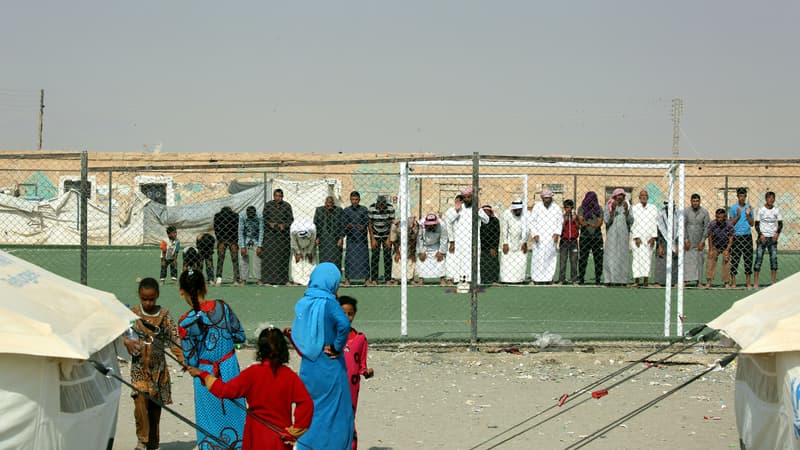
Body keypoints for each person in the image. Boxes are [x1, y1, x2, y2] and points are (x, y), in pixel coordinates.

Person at [187, 328, 313, 450]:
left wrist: (202, 374)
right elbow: (306, 403)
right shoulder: (290, 376)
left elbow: (224, 390)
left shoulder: (252, 374)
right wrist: (294, 431)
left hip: (256, 437)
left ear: (261, 350)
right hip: (281, 438)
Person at [177, 269, 246, 448]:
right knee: (236, 417)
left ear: (181, 292)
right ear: (205, 287)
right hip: (230, 370)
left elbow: (191, 361)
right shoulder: (222, 307)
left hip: (205, 375)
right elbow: (240, 335)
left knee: (209, 424)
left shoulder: (185, 322)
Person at [290, 262, 354, 450]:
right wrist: (337, 346)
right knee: (336, 412)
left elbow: (297, 332)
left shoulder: (303, 303)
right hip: (329, 364)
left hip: (309, 366)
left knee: (310, 409)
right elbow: (344, 324)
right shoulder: (330, 303)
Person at [124, 277, 184, 450]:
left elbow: (174, 338)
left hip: (158, 370)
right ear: (139, 296)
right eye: (144, 299)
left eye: (151, 299)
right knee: (140, 400)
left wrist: (181, 358)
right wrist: (125, 341)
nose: (148, 303)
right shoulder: (133, 314)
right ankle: (141, 440)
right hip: (139, 369)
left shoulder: (164, 316)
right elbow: (122, 331)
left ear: (157, 296)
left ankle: (152, 442)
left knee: (155, 409)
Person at [338, 296, 375, 450]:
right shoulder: (329, 337)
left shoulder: (360, 339)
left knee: (348, 419)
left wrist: (367, 372)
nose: (347, 317)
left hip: (351, 388)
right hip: (333, 385)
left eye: (350, 314)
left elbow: (361, 366)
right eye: (343, 313)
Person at [445, 188, 489, 283]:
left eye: (469, 197)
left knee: (473, 261)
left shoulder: (477, 209)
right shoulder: (458, 209)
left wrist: (479, 209)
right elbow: (449, 221)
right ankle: (461, 282)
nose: (467, 199)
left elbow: (486, 220)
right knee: (460, 262)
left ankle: (473, 282)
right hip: (460, 242)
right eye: (465, 197)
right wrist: (456, 210)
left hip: (473, 241)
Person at [528, 190, 563, 284]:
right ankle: (535, 279)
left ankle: (548, 278)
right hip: (539, 236)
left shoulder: (556, 207)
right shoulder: (537, 207)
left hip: (551, 237)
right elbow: (532, 221)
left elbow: (560, 221)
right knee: (537, 257)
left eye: (548, 198)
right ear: (542, 198)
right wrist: (534, 233)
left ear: (551, 197)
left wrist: (557, 233)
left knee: (550, 257)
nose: (547, 199)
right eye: (545, 198)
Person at [262, 188, 294, 286]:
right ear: (273, 196)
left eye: (280, 196)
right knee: (269, 257)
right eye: (276, 196)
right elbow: (264, 218)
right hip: (270, 236)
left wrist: (284, 225)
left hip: (282, 237)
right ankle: (267, 280)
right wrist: (269, 223)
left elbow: (291, 219)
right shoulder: (268, 205)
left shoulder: (287, 206)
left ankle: (283, 280)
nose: (278, 198)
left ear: (282, 196)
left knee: (282, 257)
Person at [603, 188, 633, 285]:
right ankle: (609, 280)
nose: (620, 198)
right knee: (610, 256)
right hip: (611, 234)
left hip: (623, 234)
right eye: (618, 196)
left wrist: (626, 210)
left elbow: (631, 221)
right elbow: (606, 221)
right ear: (615, 197)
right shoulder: (609, 205)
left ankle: (622, 280)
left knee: (622, 256)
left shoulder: (627, 205)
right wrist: (612, 211)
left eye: (622, 196)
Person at [754, 191, 783, 288]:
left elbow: (780, 224)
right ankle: (756, 282)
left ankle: (773, 282)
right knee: (758, 258)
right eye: (769, 198)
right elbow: (756, 224)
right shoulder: (761, 210)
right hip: (762, 237)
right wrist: (760, 234)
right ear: (766, 199)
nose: (771, 199)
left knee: (773, 259)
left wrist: (777, 234)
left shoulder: (776, 210)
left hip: (772, 238)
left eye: (773, 198)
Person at [629, 190, 658, 287]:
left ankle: (646, 280)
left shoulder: (653, 208)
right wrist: (636, 237)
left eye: (645, 195)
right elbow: (632, 223)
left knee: (648, 258)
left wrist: (653, 237)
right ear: (639, 197)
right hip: (637, 238)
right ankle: (636, 281)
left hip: (649, 237)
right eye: (642, 195)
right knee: (636, 258)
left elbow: (655, 222)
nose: (644, 197)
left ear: (648, 197)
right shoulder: (634, 208)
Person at [729, 187, 755, 289]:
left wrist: (748, 215)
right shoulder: (733, 208)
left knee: (748, 259)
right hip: (736, 236)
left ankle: (748, 282)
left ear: (745, 196)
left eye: (744, 196)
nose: (742, 198)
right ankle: (734, 282)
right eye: (740, 196)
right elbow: (730, 223)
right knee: (735, 259)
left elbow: (752, 223)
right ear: (737, 196)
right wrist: (738, 216)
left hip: (747, 236)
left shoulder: (749, 208)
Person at [342, 191, 370, 286]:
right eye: (353, 199)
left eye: (356, 200)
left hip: (362, 240)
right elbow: (343, 223)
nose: (354, 201)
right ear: (350, 200)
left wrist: (363, 226)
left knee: (364, 259)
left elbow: (367, 222)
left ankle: (366, 279)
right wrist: (347, 226)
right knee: (349, 260)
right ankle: (347, 280)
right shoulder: (346, 210)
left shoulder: (364, 209)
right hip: (351, 239)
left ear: (359, 200)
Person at [577, 191, 604, 285]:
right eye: (589, 198)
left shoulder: (599, 209)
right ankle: (581, 278)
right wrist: (586, 224)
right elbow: (580, 220)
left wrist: (594, 226)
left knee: (598, 259)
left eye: (593, 199)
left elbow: (600, 221)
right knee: (583, 258)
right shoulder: (581, 208)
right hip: (585, 237)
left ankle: (598, 279)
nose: (591, 201)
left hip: (597, 237)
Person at [367, 196, 395, 285]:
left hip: (387, 234)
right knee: (375, 257)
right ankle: (374, 279)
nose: (382, 207)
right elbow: (370, 224)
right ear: (377, 203)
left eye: (383, 205)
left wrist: (389, 238)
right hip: (375, 234)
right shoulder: (371, 208)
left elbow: (392, 224)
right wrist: (372, 239)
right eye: (380, 205)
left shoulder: (390, 208)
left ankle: (388, 279)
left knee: (387, 257)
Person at [684, 193, 710, 287]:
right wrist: (686, 240)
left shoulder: (704, 212)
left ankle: (699, 282)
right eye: (693, 201)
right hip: (688, 241)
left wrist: (703, 241)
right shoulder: (686, 212)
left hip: (699, 241)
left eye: (697, 201)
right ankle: (685, 281)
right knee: (687, 260)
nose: (695, 203)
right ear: (691, 201)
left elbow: (707, 227)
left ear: (700, 201)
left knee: (699, 260)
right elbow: (683, 226)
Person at [500, 200, 528, 284]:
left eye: (519, 209)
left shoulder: (525, 214)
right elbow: (504, 229)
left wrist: (525, 242)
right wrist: (505, 243)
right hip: (509, 240)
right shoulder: (506, 214)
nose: (518, 211)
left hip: (520, 241)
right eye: (516, 210)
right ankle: (506, 280)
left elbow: (525, 229)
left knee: (521, 260)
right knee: (506, 261)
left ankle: (519, 280)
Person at [705, 208, 734, 289]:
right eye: (718, 217)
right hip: (715, 245)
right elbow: (710, 236)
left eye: (721, 218)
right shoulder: (713, 224)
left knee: (726, 261)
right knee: (710, 261)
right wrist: (710, 249)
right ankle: (709, 282)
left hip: (725, 245)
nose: (719, 219)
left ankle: (726, 282)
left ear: (725, 217)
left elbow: (731, 237)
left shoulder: (729, 224)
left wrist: (727, 250)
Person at [417, 213, 449, 286]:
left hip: (436, 244)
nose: (431, 226)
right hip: (425, 245)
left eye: (433, 224)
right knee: (421, 260)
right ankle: (421, 279)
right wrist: (421, 251)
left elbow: (444, 238)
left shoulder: (442, 224)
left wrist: (441, 251)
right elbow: (419, 238)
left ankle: (442, 279)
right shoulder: (421, 224)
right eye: (429, 225)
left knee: (441, 260)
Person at [314, 195, 344, 267]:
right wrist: (316, 237)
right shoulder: (319, 210)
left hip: (335, 240)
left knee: (336, 260)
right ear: (325, 203)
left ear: (333, 203)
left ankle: (336, 277)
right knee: (324, 260)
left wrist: (341, 238)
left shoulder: (339, 211)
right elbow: (315, 224)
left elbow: (343, 225)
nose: (329, 205)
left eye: (331, 203)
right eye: (328, 203)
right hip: (323, 240)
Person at [213, 206, 240, 286]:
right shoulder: (235, 216)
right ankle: (235, 279)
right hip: (230, 238)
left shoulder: (218, 216)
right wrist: (235, 240)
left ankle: (219, 278)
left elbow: (216, 228)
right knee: (234, 259)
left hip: (226, 238)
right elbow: (237, 228)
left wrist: (220, 239)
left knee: (221, 259)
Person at [654, 202, 679, 287]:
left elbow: (679, 230)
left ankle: (674, 282)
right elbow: (658, 231)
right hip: (662, 241)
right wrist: (659, 245)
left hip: (674, 241)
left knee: (675, 261)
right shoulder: (660, 216)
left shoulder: (678, 216)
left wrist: (677, 244)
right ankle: (659, 282)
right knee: (661, 260)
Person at [238, 206, 264, 286]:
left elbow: (261, 231)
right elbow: (240, 231)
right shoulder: (242, 216)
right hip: (245, 238)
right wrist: (242, 246)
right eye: (250, 216)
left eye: (253, 216)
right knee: (243, 257)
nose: (251, 218)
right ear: (247, 214)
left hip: (256, 238)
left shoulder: (260, 216)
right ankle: (244, 279)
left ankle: (258, 279)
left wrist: (259, 246)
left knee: (258, 257)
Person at [389, 216, 419, 285]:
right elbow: (394, 240)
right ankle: (396, 279)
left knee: (411, 259)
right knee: (397, 258)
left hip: (409, 242)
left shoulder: (414, 226)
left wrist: (412, 253)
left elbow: (414, 241)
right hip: (399, 242)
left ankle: (411, 279)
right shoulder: (394, 226)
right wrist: (397, 253)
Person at [557, 199, 579, 285]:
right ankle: (561, 279)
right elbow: (559, 228)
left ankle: (574, 280)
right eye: (566, 207)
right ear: (564, 208)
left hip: (573, 241)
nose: (568, 209)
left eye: (570, 207)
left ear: (572, 208)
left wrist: (575, 220)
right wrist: (564, 221)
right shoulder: (562, 217)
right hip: (564, 241)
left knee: (574, 262)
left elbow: (578, 227)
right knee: (563, 261)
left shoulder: (574, 216)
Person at [290, 219, 318, 286]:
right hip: (298, 245)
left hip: (309, 245)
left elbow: (312, 241)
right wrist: (298, 252)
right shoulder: (293, 230)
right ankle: (297, 280)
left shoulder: (312, 230)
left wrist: (309, 252)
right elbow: (294, 242)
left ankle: (310, 280)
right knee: (297, 262)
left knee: (310, 262)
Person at [480, 205, 501, 284]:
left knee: (492, 262)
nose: (486, 213)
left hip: (491, 246)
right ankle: (483, 279)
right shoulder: (479, 220)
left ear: (490, 212)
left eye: (487, 211)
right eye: (484, 211)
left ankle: (494, 279)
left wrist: (494, 247)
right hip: (481, 246)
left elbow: (496, 235)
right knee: (482, 263)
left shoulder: (495, 220)